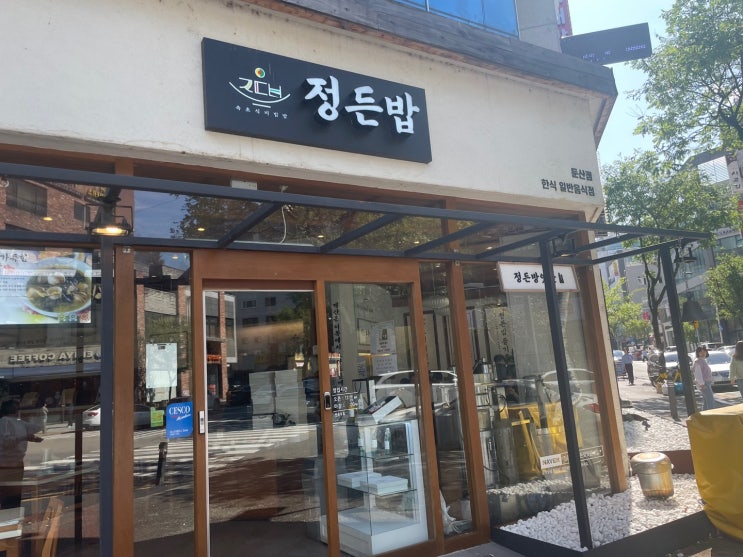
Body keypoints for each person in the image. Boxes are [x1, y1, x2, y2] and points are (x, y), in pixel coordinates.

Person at [0, 399, 43, 509]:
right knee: (9, 494)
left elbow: (36, 427)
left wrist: (33, 413)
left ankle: (12, 514)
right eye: (17, 407)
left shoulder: (19, 422)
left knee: (14, 493)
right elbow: (6, 442)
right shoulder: (4, 421)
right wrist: (25, 437)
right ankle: (9, 515)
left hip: (16, 463)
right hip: (6, 463)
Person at [693, 346, 715, 411]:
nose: (703, 353)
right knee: (710, 400)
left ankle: (704, 414)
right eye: (701, 352)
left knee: (706, 400)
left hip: (706, 383)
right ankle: (711, 414)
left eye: (704, 351)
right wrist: (702, 384)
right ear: (698, 353)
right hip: (704, 383)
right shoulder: (698, 361)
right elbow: (698, 374)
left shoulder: (702, 360)